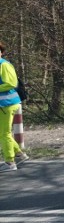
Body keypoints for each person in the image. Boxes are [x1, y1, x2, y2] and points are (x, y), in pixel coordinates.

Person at [0, 41, 27, 172]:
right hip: (4, 104)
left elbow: (11, 83)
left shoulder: (3, 65)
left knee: (4, 134)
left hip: (6, 104)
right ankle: (20, 154)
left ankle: (10, 162)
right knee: (4, 133)